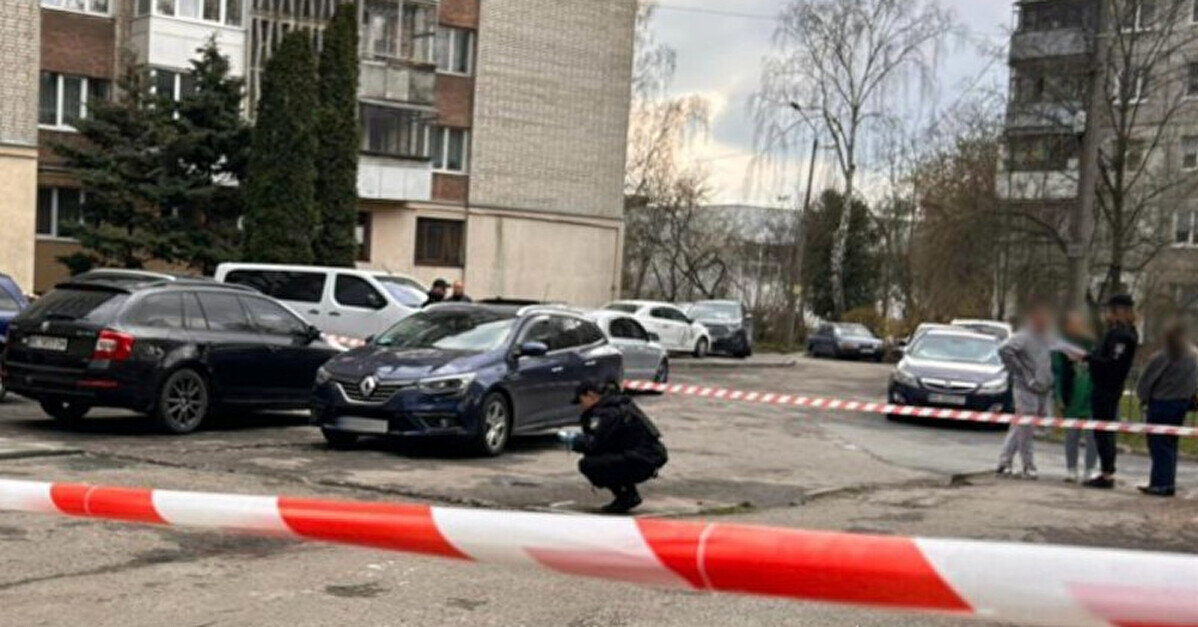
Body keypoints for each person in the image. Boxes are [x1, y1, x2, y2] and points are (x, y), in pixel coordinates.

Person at [560, 380, 668, 514]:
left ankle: (627, 495)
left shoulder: (607, 413)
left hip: (643, 458)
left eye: (582, 401)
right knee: (600, 458)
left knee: (589, 464)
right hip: (647, 455)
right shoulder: (617, 405)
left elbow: (595, 444)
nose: (582, 406)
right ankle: (627, 493)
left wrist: (575, 441)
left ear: (590, 395)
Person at [1134, 319, 1197, 497]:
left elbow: (1147, 379)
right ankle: (1167, 482)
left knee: (1158, 444)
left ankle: (1160, 484)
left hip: (1162, 402)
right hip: (1182, 403)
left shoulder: (1166, 355)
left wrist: (1143, 395)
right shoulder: (1194, 354)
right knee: (1170, 444)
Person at [1083, 294, 1139, 490]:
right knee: (1102, 431)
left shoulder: (1122, 336)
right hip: (1106, 386)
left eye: (1108, 310)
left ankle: (1107, 472)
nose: (1105, 315)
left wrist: (1088, 358)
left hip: (1107, 387)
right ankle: (1106, 470)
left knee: (1104, 431)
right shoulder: (1119, 333)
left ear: (1117, 311)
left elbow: (1113, 364)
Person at [996, 299, 1056, 479]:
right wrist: (1021, 371)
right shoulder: (1024, 336)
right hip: (1025, 388)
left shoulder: (1047, 337)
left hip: (1042, 389)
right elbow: (1004, 349)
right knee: (1025, 428)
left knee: (1020, 427)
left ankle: (1004, 461)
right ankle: (1028, 466)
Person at [1055, 310, 1097, 483]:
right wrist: (1059, 396)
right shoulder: (1062, 348)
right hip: (1072, 398)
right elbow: (1058, 373)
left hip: (1091, 398)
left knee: (1092, 436)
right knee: (1072, 435)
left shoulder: (1094, 345)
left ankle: (1090, 469)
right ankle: (1071, 469)